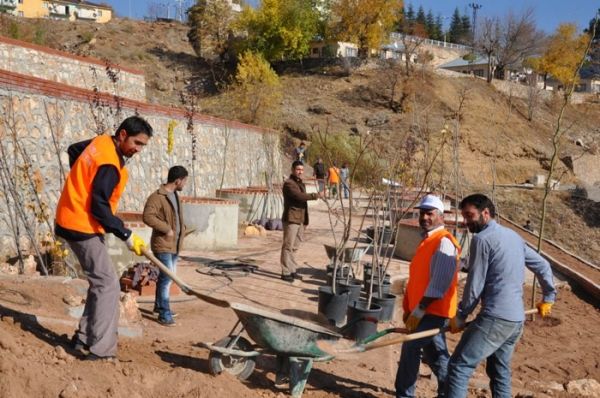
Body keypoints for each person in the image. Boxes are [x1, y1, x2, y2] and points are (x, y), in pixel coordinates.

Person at [55, 116, 153, 360]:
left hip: (72, 218)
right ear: (122, 135)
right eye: (136, 143)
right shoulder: (109, 163)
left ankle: (84, 338)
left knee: (101, 282)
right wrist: (126, 234)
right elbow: (99, 208)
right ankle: (101, 351)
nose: (138, 150)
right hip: (81, 225)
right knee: (108, 284)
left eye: (143, 146)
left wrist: (81, 184)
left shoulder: (101, 142)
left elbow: (73, 150)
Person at [445, 194, 557, 398]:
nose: (466, 221)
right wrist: (548, 297)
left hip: (496, 319)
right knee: (499, 371)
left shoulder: (482, 239)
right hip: (516, 321)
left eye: (469, 216)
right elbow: (543, 265)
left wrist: (461, 315)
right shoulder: (513, 236)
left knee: (459, 366)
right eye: (464, 216)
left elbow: (475, 284)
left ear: (485, 213)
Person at [396, 194, 460, 398]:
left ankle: (404, 394)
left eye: (429, 213)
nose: (424, 217)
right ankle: (450, 391)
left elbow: (438, 284)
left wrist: (419, 311)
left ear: (440, 216)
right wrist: (409, 309)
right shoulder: (428, 240)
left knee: (410, 347)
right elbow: (418, 279)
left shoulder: (444, 242)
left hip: (432, 311)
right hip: (421, 310)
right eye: (422, 213)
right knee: (435, 355)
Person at [143, 166, 189, 327]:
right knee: (167, 278)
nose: (185, 183)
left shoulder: (175, 195)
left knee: (165, 278)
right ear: (178, 181)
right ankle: (164, 314)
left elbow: (175, 217)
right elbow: (147, 217)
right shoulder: (157, 197)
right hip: (162, 245)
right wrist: (166, 229)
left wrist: (182, 230)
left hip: (174, 245)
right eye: (184, 180)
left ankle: (159, 306)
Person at [281, 161, 321, 282]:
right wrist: (316, 195)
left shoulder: (300, 183)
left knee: (295, 247)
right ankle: (285, 272)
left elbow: (303, 203)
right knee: (288, 246)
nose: (300, 172)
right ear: (293, 169)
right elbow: (299, 196)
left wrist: (306, 220)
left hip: (301, 220)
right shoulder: (289, 184)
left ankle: (292, 270)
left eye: (302, 170)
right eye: (298, 169)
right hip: (292, 219)